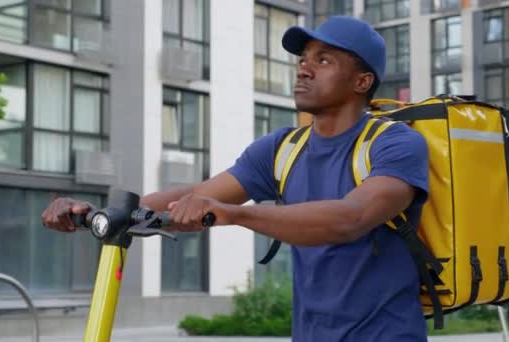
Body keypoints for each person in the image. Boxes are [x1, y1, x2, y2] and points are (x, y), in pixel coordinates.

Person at [43, 16, 429, 341]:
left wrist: (233, 214)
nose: (304, 68)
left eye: (323, 60)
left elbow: (351, 218)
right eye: (302, 59)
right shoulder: (282, 147)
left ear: (362, 82)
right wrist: (102, 214)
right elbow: (197, 195)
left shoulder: (395, 144)